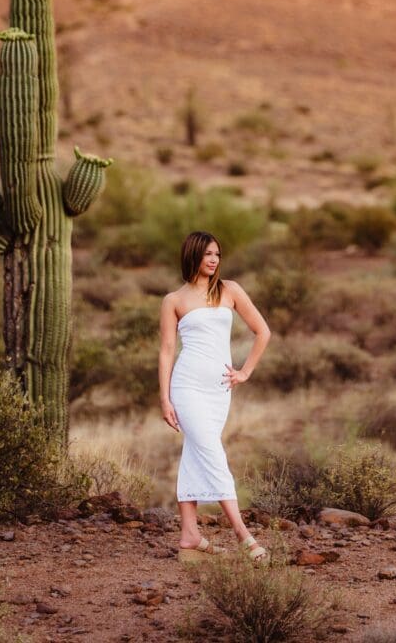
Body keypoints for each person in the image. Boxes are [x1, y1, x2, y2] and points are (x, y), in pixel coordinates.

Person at [159, 230, 272, 564]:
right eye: (208, 254)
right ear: (193, 255)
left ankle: (190, 534)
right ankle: (243, 533)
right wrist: (165, 398)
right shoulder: (174, 300)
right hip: (187, 387)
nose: (213, 260)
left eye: (217, 255)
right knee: (212, 453)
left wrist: (246, 371)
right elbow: (166, 351)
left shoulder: (230, 290)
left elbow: (262, 331)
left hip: (219, 391)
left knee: (197, 451)